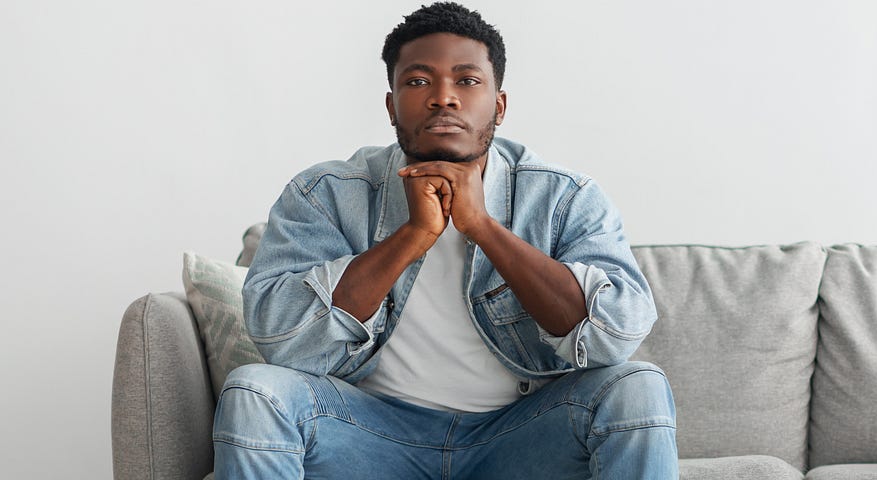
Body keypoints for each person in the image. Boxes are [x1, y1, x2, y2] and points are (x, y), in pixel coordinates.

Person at [212, 3, 677, 479]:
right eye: (417, 81)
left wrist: (483, 228)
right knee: (254, 390)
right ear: (391, 104)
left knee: (637, 384)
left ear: (498, 105)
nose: (443, 98)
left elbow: (615, 334)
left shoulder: (563, 197)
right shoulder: (326, 194)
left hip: (522, 438)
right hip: (368, 435)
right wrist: (414, 235)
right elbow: (282, 339)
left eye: (467, 80)